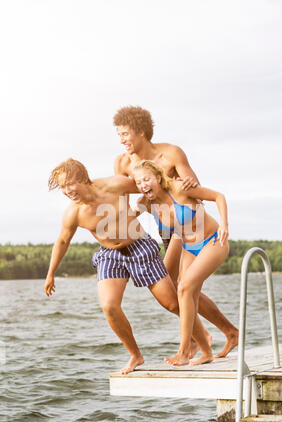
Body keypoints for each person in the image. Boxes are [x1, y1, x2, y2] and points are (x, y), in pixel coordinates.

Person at [44, 158, 213, 373]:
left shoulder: (114, 185)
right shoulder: (73, 213)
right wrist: (51, 274)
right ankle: (135, 355)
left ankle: (203, 342)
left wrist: (183, 187)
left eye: (70, 184)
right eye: (62, 187)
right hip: (109, 255)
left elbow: (152, 184)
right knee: (109, 305)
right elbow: (62, 241)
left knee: (172, 304)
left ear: (84, 179)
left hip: (139, 245)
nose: (67, 191)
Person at [113, 105, 238, 357]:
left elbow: (195, 190)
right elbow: (122, 200)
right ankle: (211, 335)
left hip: (186, 226)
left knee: (182, 287)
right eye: (119, 135)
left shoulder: (170, 154)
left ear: (140, 132)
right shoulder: (123, 163)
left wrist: (189, 186)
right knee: (174, 291)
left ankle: (198, 341)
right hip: (164, 227)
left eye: (125, 134)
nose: (122, 140)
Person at [132, 160, 230, 366]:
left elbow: (218, 196)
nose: (143, 184)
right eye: (139, 182)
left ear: (158, 178)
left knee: (185, 287)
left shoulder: (180, 188)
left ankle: (184, 351)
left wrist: (224, 225)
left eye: (147, 179)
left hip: (213, 240)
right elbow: (123, 217)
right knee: (185, 293)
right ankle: (206, 351)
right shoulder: (146, 204)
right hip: (189, 248)